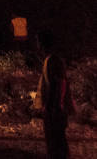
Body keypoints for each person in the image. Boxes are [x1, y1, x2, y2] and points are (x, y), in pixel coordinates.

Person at [34, 31, 74, 159]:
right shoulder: (51, 60)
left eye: (38, 42)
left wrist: (54, 106)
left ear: (43, 44)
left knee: (56, 142)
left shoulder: (53, 60)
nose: (37, 45)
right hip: (54, 109)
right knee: (56, 142)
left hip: (55, 110)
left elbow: (59, 84)